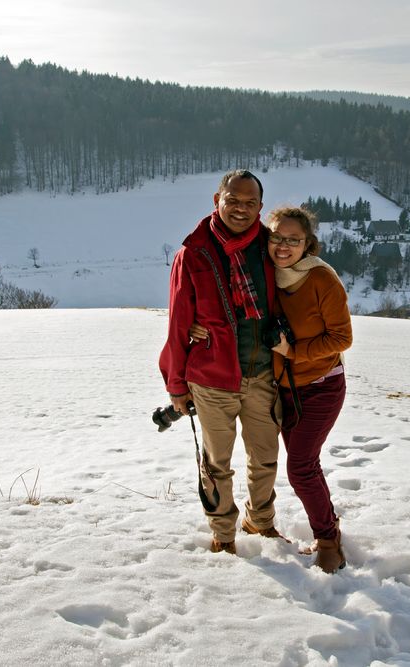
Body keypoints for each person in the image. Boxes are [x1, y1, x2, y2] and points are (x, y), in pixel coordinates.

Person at [191, 206, 353, 573]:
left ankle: (329, 540)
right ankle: (318, 527)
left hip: (322, 386)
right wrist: (194, 328)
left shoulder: (321, 279)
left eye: (293, 240)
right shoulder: (266, 276)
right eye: (277, 237)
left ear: (307, 244)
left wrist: (294, 352)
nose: (283, 246)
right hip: (283, 386)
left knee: (300, 467)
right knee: (301, 466)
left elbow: (343, 337)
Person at [159, 170, 285, 556]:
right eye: (233, 201)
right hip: (211, 378)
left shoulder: (272, 247)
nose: (241, 209)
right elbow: (180, 322)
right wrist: (176, 386)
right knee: (217, 463)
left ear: (261, 207)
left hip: (263, 372)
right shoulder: (194, 253)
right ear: (217, 201)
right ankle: (224, 533)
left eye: (250, 203)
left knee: (264, 458)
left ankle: (260, 522)